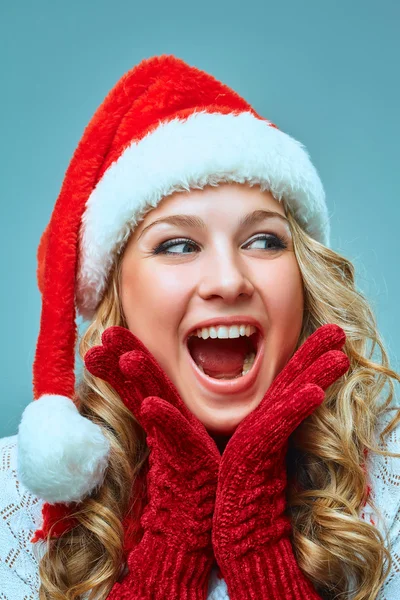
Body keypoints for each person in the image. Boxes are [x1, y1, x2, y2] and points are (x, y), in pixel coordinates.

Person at [0, 54, 399, 600]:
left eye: (264, 240)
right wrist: (175, 537)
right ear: (117, 292)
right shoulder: (15, 507)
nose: (229, 280)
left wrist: (256, 536)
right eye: (178, 245)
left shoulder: (390, 485)